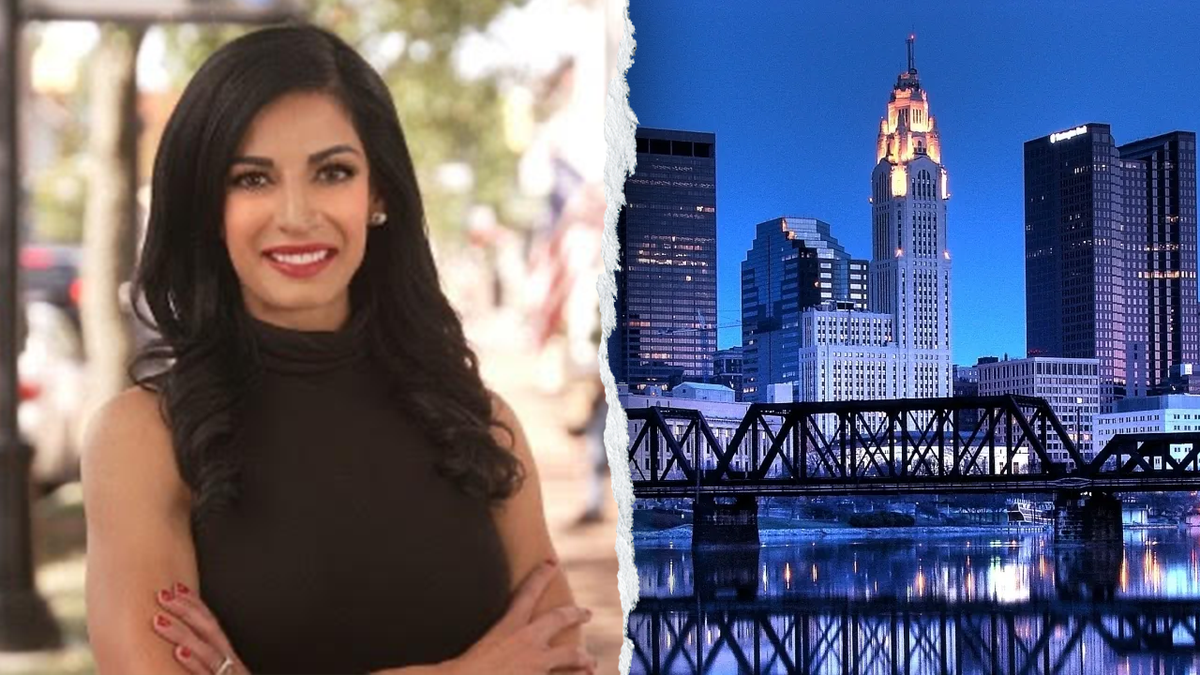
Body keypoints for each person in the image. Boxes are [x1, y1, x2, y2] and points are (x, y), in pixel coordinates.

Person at [81, 24, 595, 675]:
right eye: (252, 179)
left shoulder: (476, 423)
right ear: (208, 205)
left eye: (332, 172)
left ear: (377, 192)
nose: (296, 214)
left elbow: (561, 662)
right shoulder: (142, 439)